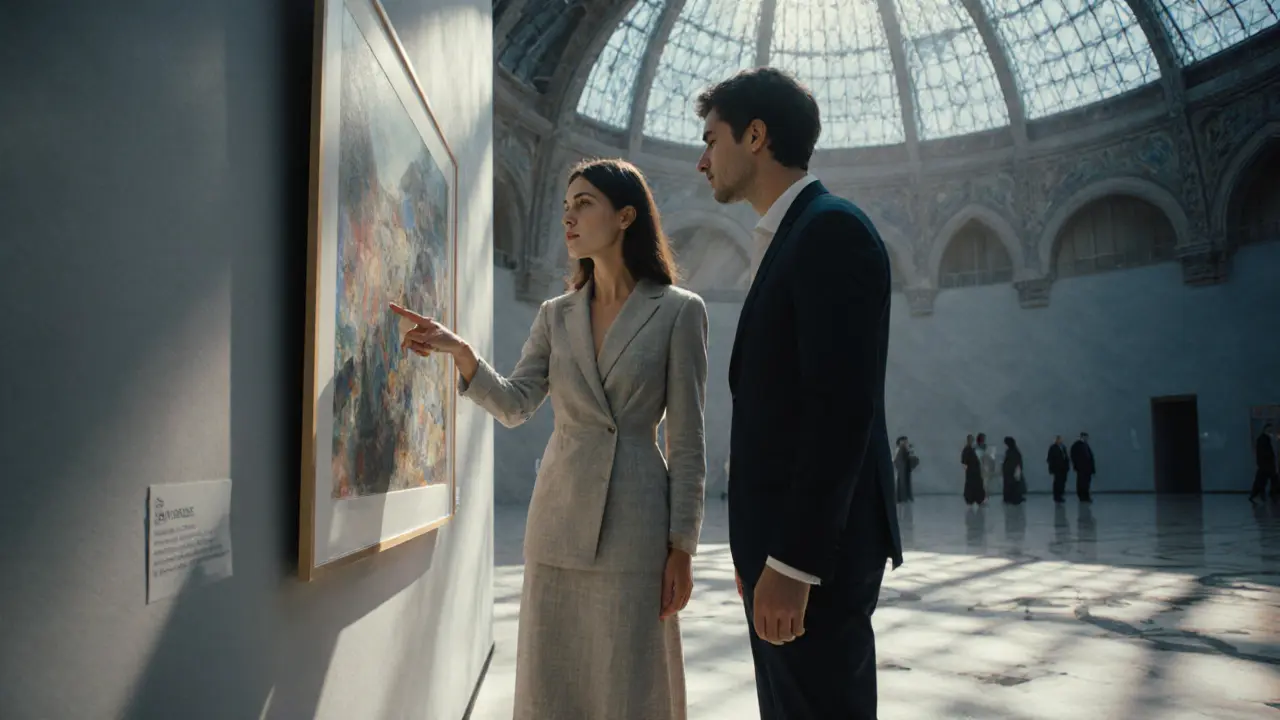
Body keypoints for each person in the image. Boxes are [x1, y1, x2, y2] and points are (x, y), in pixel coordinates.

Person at [393, 158, 709, 720]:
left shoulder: (679, 312)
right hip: (558, 520)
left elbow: (687, 442)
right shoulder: (555, 314)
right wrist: (462, 354)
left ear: (625, 216)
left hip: (637, 525)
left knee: (631, 680)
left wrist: (681, 547)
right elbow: (516, 404)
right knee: (552, 682)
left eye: (584, 203)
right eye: (565, 206)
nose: (568, 217)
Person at [694, 67, 902, 720]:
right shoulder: (793, 235)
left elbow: (840, 410)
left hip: (818, 561)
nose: (702, 162)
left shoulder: (829, 231)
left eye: (711, 139)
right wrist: (758, 553)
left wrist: (793, 561)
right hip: (785, 553)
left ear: (755, 136)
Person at [1250, 423, 1277, 503]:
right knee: (1269, 479)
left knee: (1261, 479)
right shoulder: (1264, 439)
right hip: (1266, 463)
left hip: (1264, 463)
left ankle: (1256, 494)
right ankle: (1269, 494)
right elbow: (1265, 452)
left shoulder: (1262, 439)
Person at [1070, 432, 1096, 503]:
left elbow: (1090, 458)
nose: (1086, 439)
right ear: (1082, 437)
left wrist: (1092, 469)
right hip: (1081, 468)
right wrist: (1076, 466)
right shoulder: (1076, 445)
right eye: (1085, 437)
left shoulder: (1086, 445)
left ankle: (1086, 496)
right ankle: (1082, 496)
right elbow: (1073, 456)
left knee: (1086, 483)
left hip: (1087, 468)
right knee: (1081, 482)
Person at [962, 434, 985, 506]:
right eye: (971, 440)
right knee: (973, 485)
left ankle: (976, 500)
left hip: (974, 471)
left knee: (976, 485)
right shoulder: (967, 450)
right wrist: (967, 469)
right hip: (971, 472)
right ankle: (972, 500)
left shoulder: (971, 449)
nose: (972, 441)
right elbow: (964, 462)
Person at [1047, 435, 1071, 503]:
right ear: (1056, 440)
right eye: (1059, 439)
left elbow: (1066, 457)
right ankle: (1057, 496)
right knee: (1057, 482)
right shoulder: (1053, 448)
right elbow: (1050, 459)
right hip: (1057, 469)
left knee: (1062, 482)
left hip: (1064, 469)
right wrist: (1052, 468)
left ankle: (1061, 494)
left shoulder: (1063, 447)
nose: (1060, 440)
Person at [1002, 436, 1025, 504]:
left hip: (1011, 473)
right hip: (1009, 473)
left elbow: (1017, 464)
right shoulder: (1013, 452)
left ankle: (1012, 498)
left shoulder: (1013, 452)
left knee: (1012, 486)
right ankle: (1012, 498)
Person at [893, 436, 914, 503]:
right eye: (905, 441)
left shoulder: (901, 449)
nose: (906, 443)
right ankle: (903, 498)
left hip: (903, 470)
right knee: (902, 483)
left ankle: (904, 497)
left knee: (903, 483)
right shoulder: (901, 449)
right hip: (902, 470)